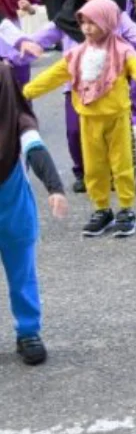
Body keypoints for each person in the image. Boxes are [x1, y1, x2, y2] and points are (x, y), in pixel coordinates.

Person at [24, 0, 136, 239]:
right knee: (93, 168)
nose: (87, 28)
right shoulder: (76, 54)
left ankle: (126, 209)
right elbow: (51, 76)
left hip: (117, 118)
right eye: (83, 22)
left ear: (108, 23)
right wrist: (22, 93)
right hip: (88, 118)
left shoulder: (122, 51)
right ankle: (102, 209)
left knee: (122, 165)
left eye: (93, 23)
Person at [0, 62, 67, 365]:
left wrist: (55, 187)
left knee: (22, 271)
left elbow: (34, 148)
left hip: (11, 208)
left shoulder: (16, 119)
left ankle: (28, 331)